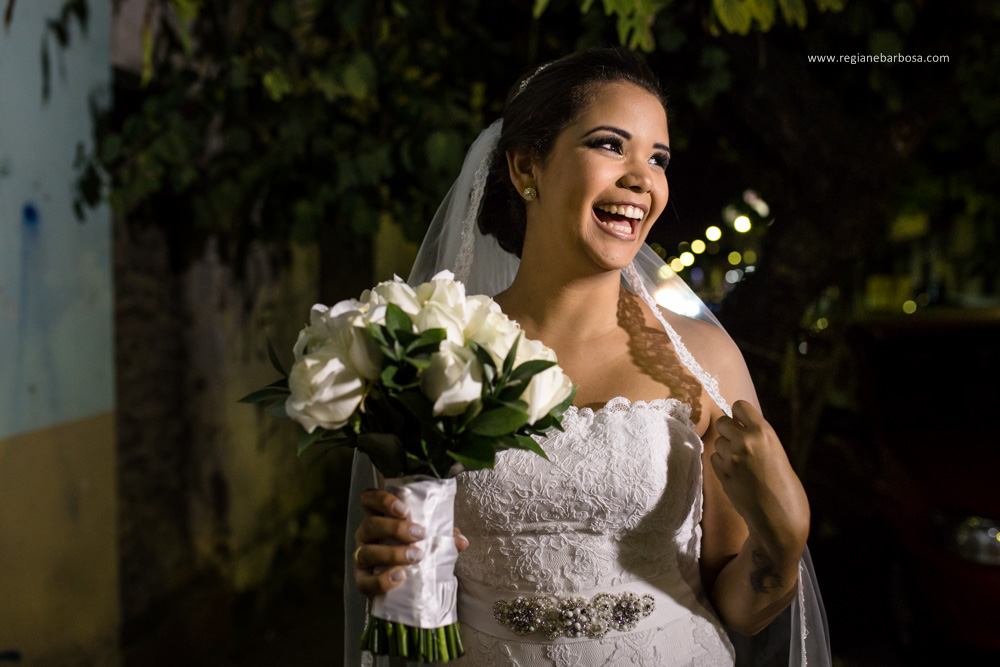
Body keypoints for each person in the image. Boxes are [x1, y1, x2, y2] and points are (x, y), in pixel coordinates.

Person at [345, 48, 830, 666]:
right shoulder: (436, 351)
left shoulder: (702, 359)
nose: (643, 178)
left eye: (658, 158)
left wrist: (781, 545)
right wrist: (392, 572)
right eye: (610, 145)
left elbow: (739, 605)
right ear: (527, 167)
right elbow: (414, 598)